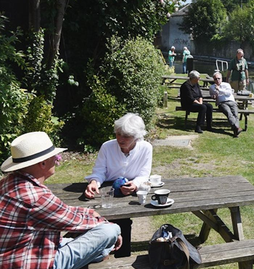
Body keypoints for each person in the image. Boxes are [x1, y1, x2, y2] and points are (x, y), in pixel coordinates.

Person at [1, 132, 122, 269]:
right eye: (54, 156)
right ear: (43, 163)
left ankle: (99, 252)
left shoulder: (8, 182)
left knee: (98, 243)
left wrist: (89, 212)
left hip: (20, 250)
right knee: (110, 231)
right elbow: (76, 222)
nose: (57, 159)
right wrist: (111, 229)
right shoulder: (37, 196)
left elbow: (60, 211)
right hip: (27, 262)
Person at [83, 113, 152, 257]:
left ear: (137, 136)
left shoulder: (146, 148)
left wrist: (135, 184)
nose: (120, 139)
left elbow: (144, 174)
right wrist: (94, 182)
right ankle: (99, 256)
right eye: (118, 134)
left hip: (128, 193)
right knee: (98, 220)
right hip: (107, 192)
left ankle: (122, 259)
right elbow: (99, 171)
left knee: (124, 223)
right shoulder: (107, 147)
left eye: (126, 136)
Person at [210, 72, 242, 137]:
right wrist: (213, 96)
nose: (217, 80)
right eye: (215, 79)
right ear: (213, 80)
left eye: (219, 78)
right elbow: (211, 95)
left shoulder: (227, 85)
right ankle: (237, 128)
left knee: (235, 114)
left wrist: (219, 89)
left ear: (221, 79)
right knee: (229, 113)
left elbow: (228, 93)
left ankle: (235, 130)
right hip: (222, 103)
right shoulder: (212, 87)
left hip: (231, 102)